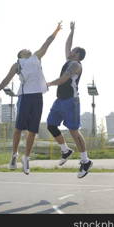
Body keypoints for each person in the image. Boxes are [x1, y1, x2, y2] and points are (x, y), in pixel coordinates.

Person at [0, 22, 62, 175]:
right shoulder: (17, 64)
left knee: (33, 131)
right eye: (24, 50)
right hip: (25, 97)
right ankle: (14, 155)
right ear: (20, 54)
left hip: (38, 97)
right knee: (18, 129)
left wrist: (56, 30)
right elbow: (6, 79)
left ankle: (26, 158)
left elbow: (47, 42)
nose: (27, 49)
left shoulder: (36, 57)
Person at [46, 21, 93, 178]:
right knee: (51, 125)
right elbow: (67, 44)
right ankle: (66, 150)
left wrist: (48, 84)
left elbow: (64, 79)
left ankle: (85, 161)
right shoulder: (69, 60)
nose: (69, 51)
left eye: (72, 51)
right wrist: (72, 31)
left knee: (74, 131)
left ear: (77, 55)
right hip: (60, 100)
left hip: (71, 101)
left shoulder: (76, 65)